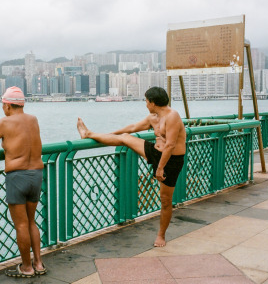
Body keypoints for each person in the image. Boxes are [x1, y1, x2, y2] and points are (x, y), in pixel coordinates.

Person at [77, 87, 186, 247]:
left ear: (153, 103)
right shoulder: (154, 117)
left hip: (171, 160)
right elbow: (133, 128)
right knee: (126, 138)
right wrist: (111, 134)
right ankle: (88, 134)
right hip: (156, 152)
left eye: (146, 101)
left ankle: (161, 236)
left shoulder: (172, 116)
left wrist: (160, 168)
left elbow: (169, 145)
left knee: (165, 200)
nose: (146, 104)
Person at [0, 86, 47, 278]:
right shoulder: (33, 120)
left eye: (2, 105)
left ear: (7, 105)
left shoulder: (4, 122)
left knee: (21, 225)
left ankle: (26, 267)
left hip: (17, 176)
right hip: (36, 174)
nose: (2, 108)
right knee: (31, 221)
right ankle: (39, 263)